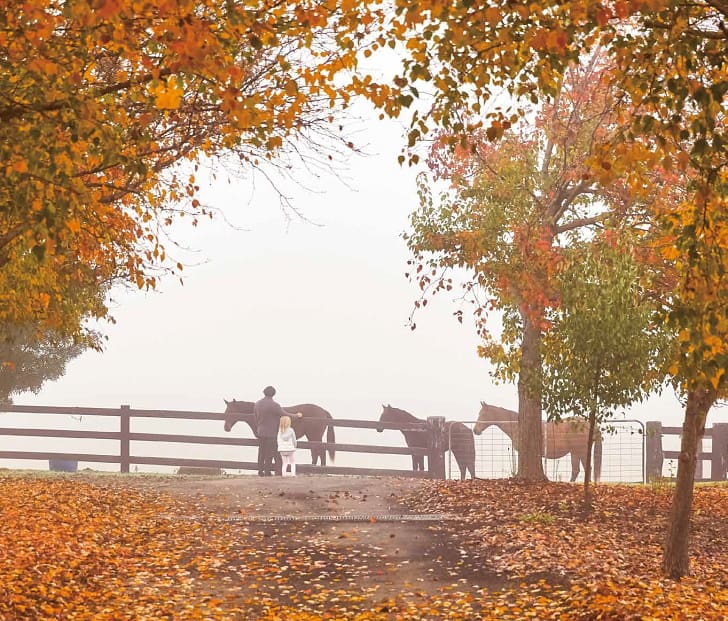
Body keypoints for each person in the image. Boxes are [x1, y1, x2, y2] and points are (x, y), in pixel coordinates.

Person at [254, 385, 302, 476]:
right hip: (271, 433)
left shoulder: (257, 404)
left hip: (260, 432)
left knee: (261, 452)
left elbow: (255, 418)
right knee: (269, 453)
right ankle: (267, 472)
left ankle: (260, 471)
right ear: (273, 394)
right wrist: (297, 415)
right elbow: (285, 414)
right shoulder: (275, 405)